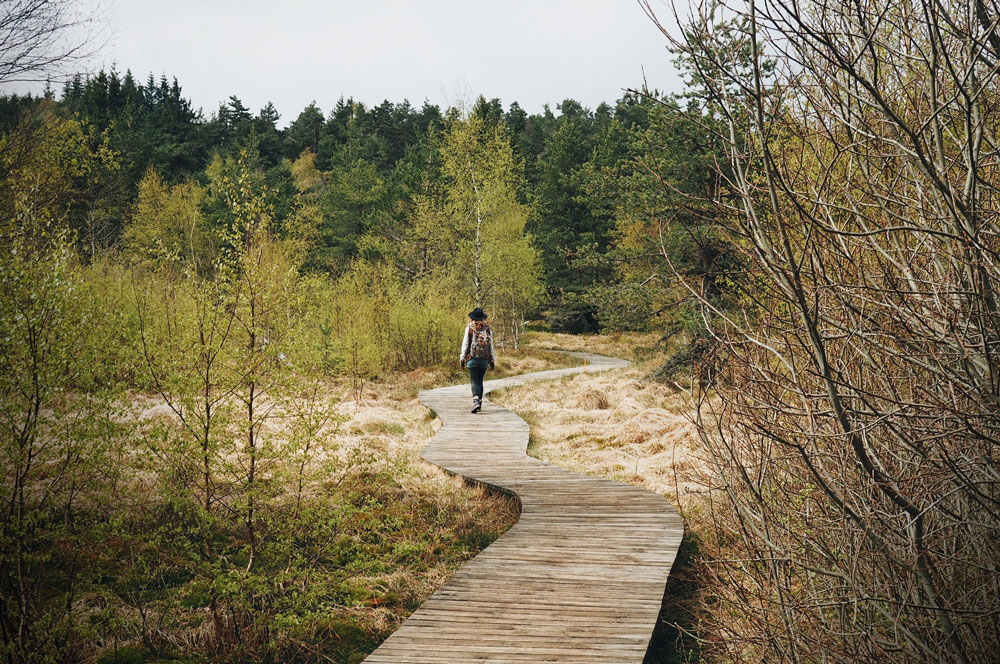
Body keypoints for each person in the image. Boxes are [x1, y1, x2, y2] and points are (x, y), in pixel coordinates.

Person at [460, 307, 496, 413]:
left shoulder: (470, 328)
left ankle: (475, 401)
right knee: (480, 381)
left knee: (474, 381)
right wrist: (492, 360)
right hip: (484, 359)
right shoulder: (488, 329)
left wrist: (462, 357)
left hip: (472, 358)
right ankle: (479, 403)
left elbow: (465, 344)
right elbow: (491, 346)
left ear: (472, 318)